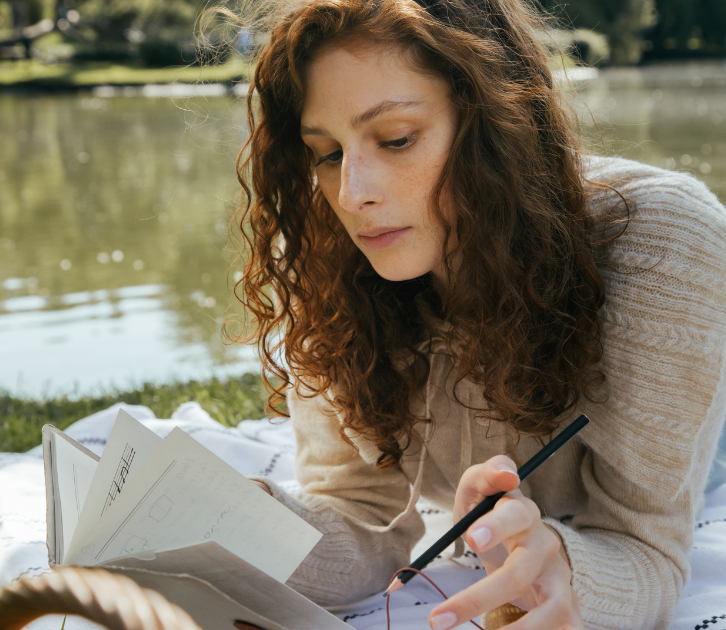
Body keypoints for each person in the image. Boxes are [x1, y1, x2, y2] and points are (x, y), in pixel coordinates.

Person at [222, 0, 726, 629]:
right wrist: (235, 529)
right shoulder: (326, 258)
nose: (352, 194)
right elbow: (362, 516)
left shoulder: (663, 243)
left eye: (397, 139)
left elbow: (645, 545)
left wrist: (564, 570)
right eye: (325, 153)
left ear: (500, 124)